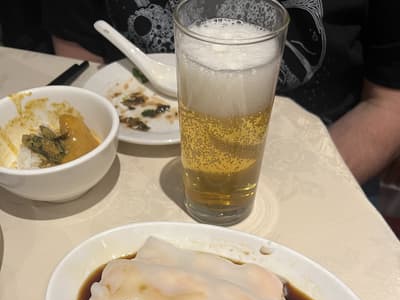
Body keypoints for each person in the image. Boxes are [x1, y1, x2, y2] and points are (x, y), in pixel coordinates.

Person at [40, 0, 400, 192]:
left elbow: (389, 104)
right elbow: (78, 54)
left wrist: (303, 191)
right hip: (127, 170)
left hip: (325, 166)